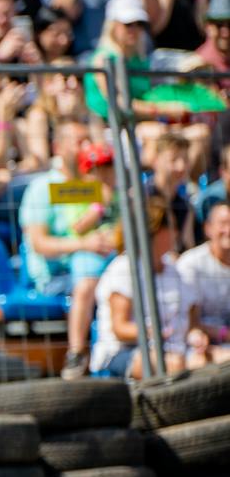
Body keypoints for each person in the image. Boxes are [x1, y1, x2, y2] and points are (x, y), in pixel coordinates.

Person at [21, 140, 120, 375]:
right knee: (85, 286)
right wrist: (97, 210)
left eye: (107, 168)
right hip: (77, 264)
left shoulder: (119, 192)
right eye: (96, 169)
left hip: (112, 257)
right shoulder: (64, 190)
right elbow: (72, 229)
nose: (103, 174)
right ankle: (76, 352)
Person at [90, 191, 206, 377]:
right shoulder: (123, 268)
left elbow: (192, 321)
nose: (176, 233)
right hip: (122, 352)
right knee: (173, 365)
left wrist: (196, 335)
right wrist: (154, 332)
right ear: (154, 231)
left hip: (175, 350)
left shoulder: (174, 269)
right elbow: (119, 328)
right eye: (171, 227)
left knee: (208, 362)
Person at [178, 201, 230, 347]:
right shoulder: (191, 263)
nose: (228, 229)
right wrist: (224, 334)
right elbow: (189, 322)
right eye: (223, 224)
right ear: (208, 228)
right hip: (198, 346)